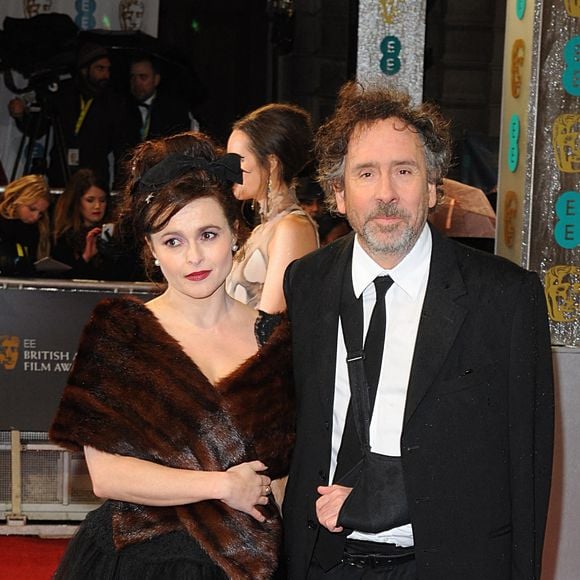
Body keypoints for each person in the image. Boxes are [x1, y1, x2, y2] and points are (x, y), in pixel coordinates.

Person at [282, 81, 554, 579]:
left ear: (432, 187)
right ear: (338, 193)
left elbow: (525, 465)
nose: (386, 193)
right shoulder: (307, 281)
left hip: (451, 563)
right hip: (325, 562)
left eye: (404, 171)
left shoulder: (506, 299)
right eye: (366, 173)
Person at [49, 131, 295, 579]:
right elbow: (106, 476)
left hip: (251, 560)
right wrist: (221, 484)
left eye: (207, 234)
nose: (194, 257)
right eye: (173, 241)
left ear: (235, 234)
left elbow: (283, 473)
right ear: (152, 251)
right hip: (142, 558)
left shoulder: (274, 340)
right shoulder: (121, 333)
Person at [226, 103, 319, 312]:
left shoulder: (293, 229)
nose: (228, 169)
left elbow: (271, 325)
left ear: (271, 164)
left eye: (237, 160)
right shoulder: (265, 228)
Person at [7, 42, 131, 188]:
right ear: (85, 70)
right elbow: (38, 129)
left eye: (108, 69)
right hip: (60, 177)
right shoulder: (63, 92)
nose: (106, 75)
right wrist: (21, 116)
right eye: (100, 69)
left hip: (95, 180)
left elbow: (121, 150)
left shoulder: (114, 101)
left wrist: (120, 189)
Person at [51, 168, 112, 279]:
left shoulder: (114, 233)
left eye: (102, 200)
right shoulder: (63, 238)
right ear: (77, 202)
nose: (97, 206)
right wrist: (86, 257)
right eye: (90, 200)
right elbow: (63, 282)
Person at [127, 53, 193, 143]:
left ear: (156, 79)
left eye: (143, 77)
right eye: (132, 77)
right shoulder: (122, 107)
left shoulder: (174, 109)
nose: (136, 83)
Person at [0, 174, 51, 276]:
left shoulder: (38, 229)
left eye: (41, 213)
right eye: (32, 209)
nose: (36, 217)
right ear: (17, 199)